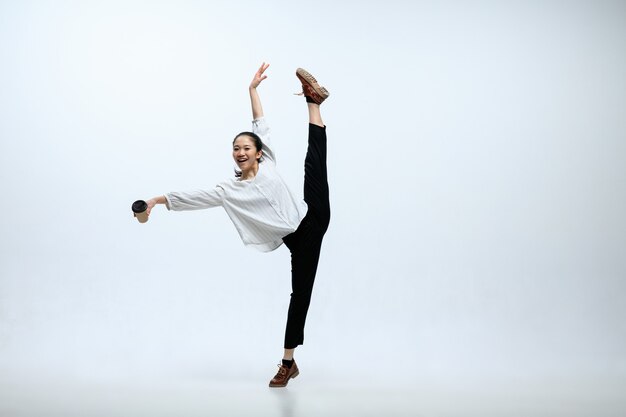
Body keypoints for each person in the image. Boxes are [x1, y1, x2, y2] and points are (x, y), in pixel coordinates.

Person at [142, 63, 331, 387]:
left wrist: (252, 91)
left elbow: (260, 123)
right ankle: (289, 362)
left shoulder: (268, 161)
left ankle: (313, 101)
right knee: (300, 297)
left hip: (313, 213)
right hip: (300, 241)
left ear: (258, 153)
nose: (241, 151)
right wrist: (157, 201)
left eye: (247, 147)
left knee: (314, 160)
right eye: (236, 148)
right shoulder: (229, 191)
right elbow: (195, 197)